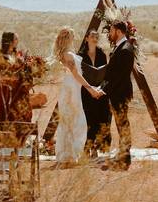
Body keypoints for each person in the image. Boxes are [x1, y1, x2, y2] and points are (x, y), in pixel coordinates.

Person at [53, 28, 106, 166]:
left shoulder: (64, 53)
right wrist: (90, 89)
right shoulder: (68, 54)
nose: (74, 38)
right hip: (72, 88)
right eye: (73, 36)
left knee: (70, 120)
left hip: (71, 87)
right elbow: (76, 74)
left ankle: (68, 155)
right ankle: (69, 153)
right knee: (77, 121)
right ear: (68, 38)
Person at [102, 21, 134, 170]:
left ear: (119, 32)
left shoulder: (125, 49)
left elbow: (119, 76)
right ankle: (123, 153)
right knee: (121, 124)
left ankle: (125, 157)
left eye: (112, 31)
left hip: (120, 93)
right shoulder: (120, 47)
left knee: (122, 124)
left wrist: (104, 90)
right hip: (117, 92)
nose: (110, 33)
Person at [78, 30, 111, 158]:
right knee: (87, 120)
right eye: (92, 36)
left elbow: (105, 73)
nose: (95, 38)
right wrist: (90, 89)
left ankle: (96, 149)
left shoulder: (102, 54)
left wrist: (99, 89)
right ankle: (87, 148)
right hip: (86, 92)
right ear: (86, 38)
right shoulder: (80, 55)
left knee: (99, 120)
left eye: (97, 36)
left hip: (99, 93)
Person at [0, 31, 32, 122]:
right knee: (6, 115)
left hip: (19, 90)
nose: (18, 41)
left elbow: (24, 68)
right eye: (16, 39)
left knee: (22, 114)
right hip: (5, 91)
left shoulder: (18, 55)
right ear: (10, 41)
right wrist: (9, 76)